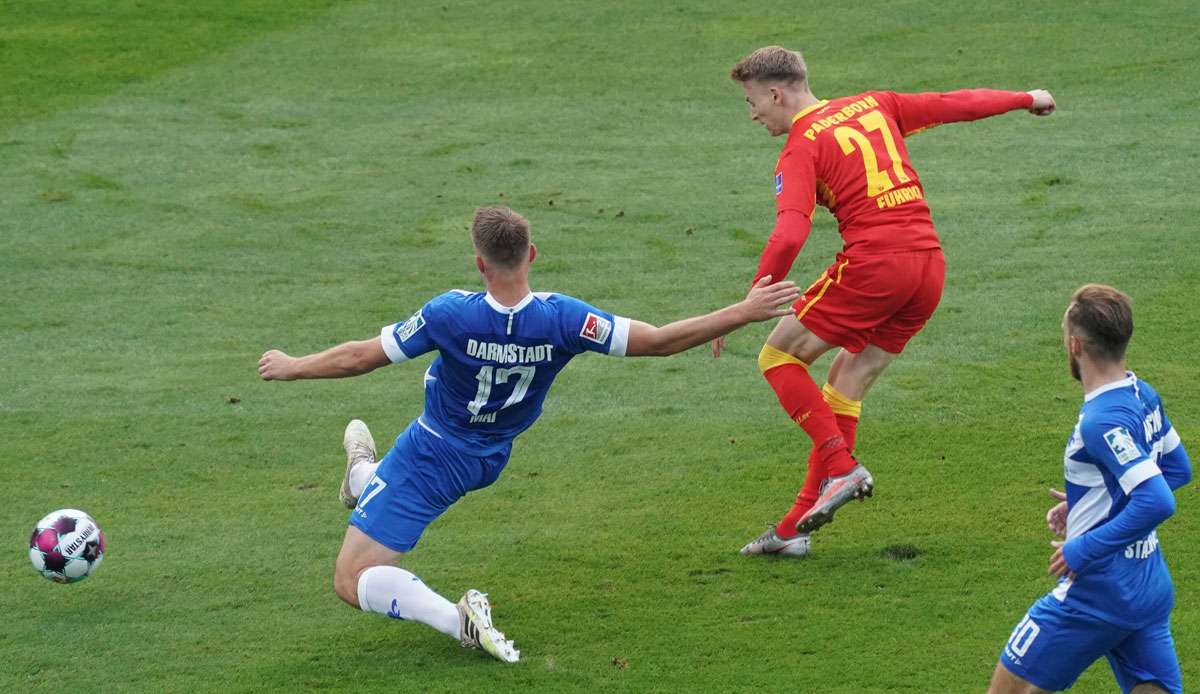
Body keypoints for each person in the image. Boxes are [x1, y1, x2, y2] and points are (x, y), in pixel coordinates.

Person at [257, 206, 800, 662]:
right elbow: (658, 341)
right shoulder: (566, 320)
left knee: (354, 581)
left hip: (432, 454)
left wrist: (293, 364)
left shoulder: (449, 314)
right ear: (532, 254)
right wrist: (744, 312)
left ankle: (459, 620)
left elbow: (359, 359)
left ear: (478, 264)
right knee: (378, 492)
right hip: (491, 455)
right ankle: (360, 476)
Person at [722, 46, 1058, 557]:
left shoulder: (799, 148)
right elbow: (953, 103)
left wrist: (748, 301)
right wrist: (1025, 98)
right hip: (928, 267)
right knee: (846, 379)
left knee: (778, 356)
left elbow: (790, 233)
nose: (751, 114)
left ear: (775, 92)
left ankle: (841, 467)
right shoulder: (874, 104)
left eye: (751, 102)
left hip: (876, 265)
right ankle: (792, 531)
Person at [988, 284, 1190, 694]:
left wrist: (1085, 546)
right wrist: (1091, 504)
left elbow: (1157, 498)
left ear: (1076, 344)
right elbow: (1176, 467)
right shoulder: (1143, 393)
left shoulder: (1100, 421)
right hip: (1147, 584)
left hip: (1097, 593)